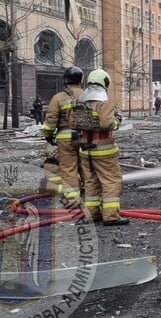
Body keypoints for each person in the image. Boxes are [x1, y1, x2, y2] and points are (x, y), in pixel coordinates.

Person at [71, 69, 128, 226]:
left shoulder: (80, 101)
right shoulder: (104, 102)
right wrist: (117, 121)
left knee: (90, 181)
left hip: (85, 149)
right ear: (104, 82)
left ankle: (92, 214)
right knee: (111, 181)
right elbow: (107, 124)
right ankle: (111, 216)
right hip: (104, 149)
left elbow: (72, 123)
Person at [42, 66, 83, 208]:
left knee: (69, 169)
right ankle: (93, 200)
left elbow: (51, 120)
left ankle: (73, 201)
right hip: (85, 138)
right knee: (87, 168)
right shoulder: (88, 96)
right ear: (81, 79)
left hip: (65, 138)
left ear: (65, 80)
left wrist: (48, 136)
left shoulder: (58, 98)